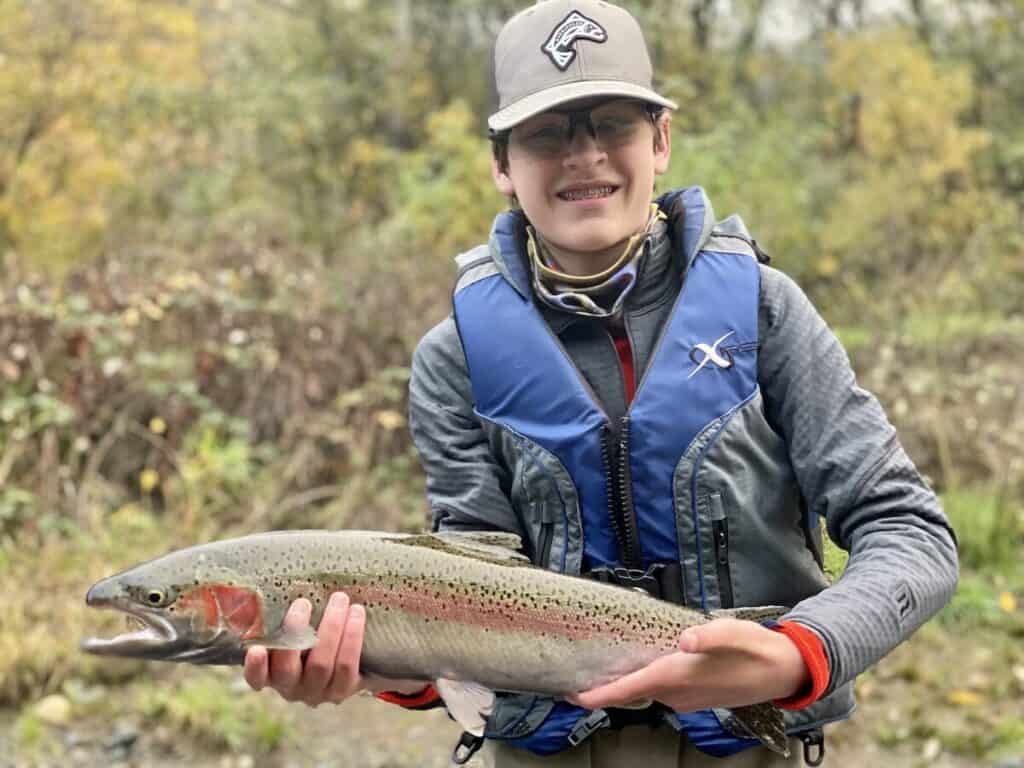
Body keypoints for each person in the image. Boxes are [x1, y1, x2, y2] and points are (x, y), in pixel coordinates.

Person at [243, 1, 959, 765]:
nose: (584, 155)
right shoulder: (453, 358)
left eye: (612, 124)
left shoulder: (765, 311)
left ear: (661, 142)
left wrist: (799, 652)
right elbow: (460, 574)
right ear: (501, 165)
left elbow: (911, 532)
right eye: (547, 133)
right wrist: (384, 665)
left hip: (749, 743)